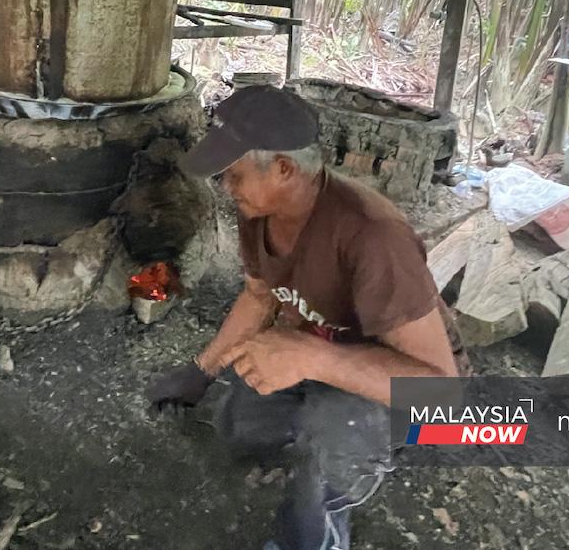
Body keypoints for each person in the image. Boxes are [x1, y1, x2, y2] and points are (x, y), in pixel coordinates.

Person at [145, 86, 469, 550]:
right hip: (325, 350)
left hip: (402, 384)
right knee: (240, 424)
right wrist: (201, 371)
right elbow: (260, 297)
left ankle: (322, 521)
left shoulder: (373, 236)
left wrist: (314, 358)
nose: (225, 187)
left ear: (283, 168)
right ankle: (313, 448)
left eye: (232, 175)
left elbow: (442, 390)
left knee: (331, 444)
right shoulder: (260, 208)